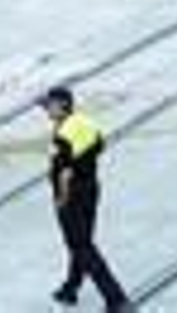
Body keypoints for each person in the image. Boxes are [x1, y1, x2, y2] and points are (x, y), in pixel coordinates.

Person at [40, 86, 130, 311]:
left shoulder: (61, 136)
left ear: (62, 106)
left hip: (71, 195)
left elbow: (64, 173)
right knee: (80, 243)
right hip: (91, 189)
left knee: (82, 246)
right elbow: (100, 144)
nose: (46, 111)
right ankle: (71, 288)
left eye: (49, 105)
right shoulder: (84, 122)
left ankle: (116, 298)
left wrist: (61, 199)